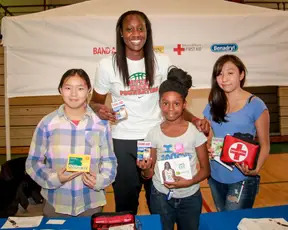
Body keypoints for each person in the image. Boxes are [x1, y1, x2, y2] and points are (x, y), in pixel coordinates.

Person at [91, 10, 209, 214]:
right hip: (123, 140)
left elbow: (176, 102)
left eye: (140, 28)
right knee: (126, 204)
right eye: (129, 29)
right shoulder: (106, 65)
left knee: (159, 201)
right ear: (120, 33)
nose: (135, 34)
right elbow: (95, 102)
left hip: (157, 137)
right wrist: (100, 110)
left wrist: (195, 119)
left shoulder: (162, 61)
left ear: (147, 31)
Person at [26, 69, 117, 217]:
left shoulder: (100, 124)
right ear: (61, 90)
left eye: (80, 88)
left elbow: (109, 161)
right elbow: (33, 162)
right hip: (55, 203)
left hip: (91, 204)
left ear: (88, 91)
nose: (74, 94)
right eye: (68, 88)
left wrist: (100, 181)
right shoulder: (47, 123)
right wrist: (54, 178)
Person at [139, 67, 210, 230]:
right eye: (166, 103)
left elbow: (206, 170)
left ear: (184, 104)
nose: (170, 108)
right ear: (159, 104)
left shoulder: (195, 133)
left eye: (176, 103)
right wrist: (145, 168)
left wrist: (189, 182)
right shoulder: (152, 134)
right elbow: (148, 174)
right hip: (160, 197)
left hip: (190, 197)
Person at [203, 54, 270, 211]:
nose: (224, 78)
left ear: (241, 74)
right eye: (219, 74)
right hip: (215, 176)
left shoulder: (256, 105)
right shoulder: (213, 104)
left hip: (242, 178)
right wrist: (208, 145)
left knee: (235, 223)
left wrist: (255, 170)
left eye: (230, 73)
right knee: (223, 221)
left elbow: (265, 145)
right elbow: (209, 137)